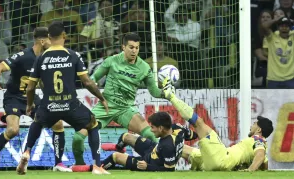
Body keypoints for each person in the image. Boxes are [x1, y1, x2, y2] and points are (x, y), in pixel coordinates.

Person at [16, 21, 110, 175]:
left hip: (49, 104)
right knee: (93, 124)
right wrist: (101, 98)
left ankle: (27, 151)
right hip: (70, 104)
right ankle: (97, 166)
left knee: (38, 122)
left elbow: (31, 87)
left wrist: (29, 105)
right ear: (64, 36)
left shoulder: (40, 58)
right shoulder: (72, 55)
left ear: (48, 37)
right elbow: (87, 82)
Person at [0, 27, 70, 173]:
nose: (52, 43)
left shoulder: (46, 58)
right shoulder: (23, 56)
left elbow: (40, 81)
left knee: (58, 124)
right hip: (14, 97)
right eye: (50, 39)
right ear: (42, 41)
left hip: (32, 97)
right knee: (13, 130)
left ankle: (59, 164)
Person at [72, 33, 165, 166]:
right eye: (131, 47)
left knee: (150, 135)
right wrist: (100, 96)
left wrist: (166, 93)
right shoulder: (111, 61)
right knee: (77, 138)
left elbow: (155, 92)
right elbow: (92, 80)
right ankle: (80, 165)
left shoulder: (144, 67)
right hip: (105, 107)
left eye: (137, 48)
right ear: (123, 47)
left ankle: (155, 164)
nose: (134, 51)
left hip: (125, 109)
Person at [162, 84, 273, 171]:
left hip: (222, 158)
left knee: (198, 123)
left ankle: (171, 96)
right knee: (181, 148)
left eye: (254, 124)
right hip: (216, 163)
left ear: (259, 130)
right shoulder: (258, 144)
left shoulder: (258, 140)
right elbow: (264, 163)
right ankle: (156, 153)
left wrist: (250, 170)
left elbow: (260, 155)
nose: (251, 125)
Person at [74, 113, 197, 172]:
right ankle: (118, 147)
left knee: (115, 157)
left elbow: (169, 170)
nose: (151, 130)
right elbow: (193, 134)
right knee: (126, 136)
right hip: (154, 148)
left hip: (148, 162)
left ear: (161, 128)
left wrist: (147, 167)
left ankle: (92, 168)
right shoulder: (178, 129)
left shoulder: (168, 146)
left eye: (153, 127)